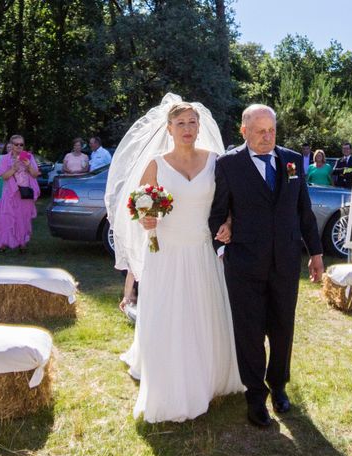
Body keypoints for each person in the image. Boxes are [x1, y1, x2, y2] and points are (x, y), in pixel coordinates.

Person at [106, 94, 243, 423]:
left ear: (200, 127)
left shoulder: (215, 161)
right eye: (180, 123)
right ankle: (169, 382)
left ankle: (207, 376)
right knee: (169, 313)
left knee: (203, 311)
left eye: (191, 122)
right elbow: (139, 204)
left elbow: (229, 205)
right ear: (169, 128)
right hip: (165, 250)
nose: (186, 128)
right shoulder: (156, 163)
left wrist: (227, 224)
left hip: (201, 248)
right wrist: (147, 218)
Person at [209, 104, 324, 428]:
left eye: (271, 130)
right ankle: (255, 396)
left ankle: (279, 387)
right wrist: (222, 240)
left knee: (282, 328)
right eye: (259, 131)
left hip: (286, 262)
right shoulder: (228, 164)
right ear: (244, 131)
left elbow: (304, 210)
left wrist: (315, 253)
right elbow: (217, 213)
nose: (267, 136)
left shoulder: (291, 160)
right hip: (244, 264)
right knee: (250, 333)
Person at [0, 135, 40, 253]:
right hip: (10, 194)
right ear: (11, 145)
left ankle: (22, 243)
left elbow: (35, 174)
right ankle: (3, 243)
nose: (19, 147)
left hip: (25, 194)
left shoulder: (29, 157)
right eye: (16, 144)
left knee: (23, 219)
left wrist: (28, 166)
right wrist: (13, 168)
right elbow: (3, 176)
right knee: (6, 218)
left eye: (21, 144)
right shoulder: (4, 158)